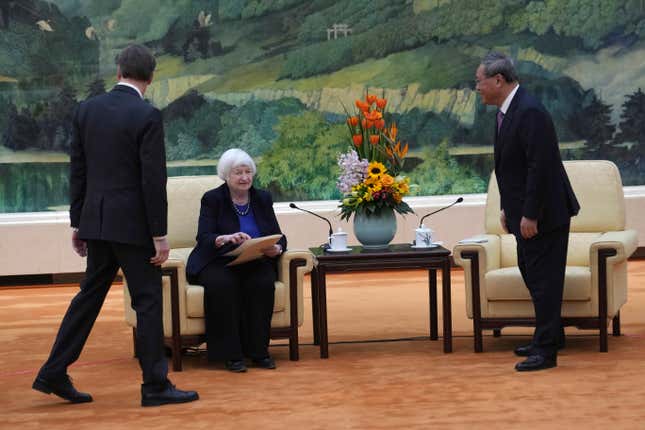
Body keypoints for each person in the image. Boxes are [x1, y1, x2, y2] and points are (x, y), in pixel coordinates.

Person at [32, 44, 198, 406]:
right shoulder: (147, 115)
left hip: (97, 221)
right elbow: (151, 181)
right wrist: (159, 233)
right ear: (150, 77)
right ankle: (155, 386)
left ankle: (53, 372)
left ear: (118, 70)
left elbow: (78, 171)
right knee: (148, 302)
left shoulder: (86, 110)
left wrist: (79, 223)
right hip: (134, 228)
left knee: (88, 298)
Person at [475, 52, 580, 372]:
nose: (476, 87)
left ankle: (546, 352)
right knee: (534, 276)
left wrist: (531, 214)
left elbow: (541, 168)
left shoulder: (529, 111)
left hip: (545, 215)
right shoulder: (508, 111)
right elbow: (512, 169)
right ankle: (550, 335)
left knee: (545, 281)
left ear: (498, 80)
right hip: (523, 211)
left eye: (479, 81)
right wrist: (509, 209)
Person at [186, 148, 286, 372]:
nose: (244, 177)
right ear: (226, 176)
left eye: (248, 172)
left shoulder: (262, 198)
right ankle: (231, 355)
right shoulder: (213, 199)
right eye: (238, 173)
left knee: (262, 283)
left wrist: (277, 248)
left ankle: (259, 352)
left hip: (253, 259)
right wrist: (225, 238)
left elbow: (278, 234)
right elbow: (203, 237)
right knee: (223, 285)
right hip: (217, 260)